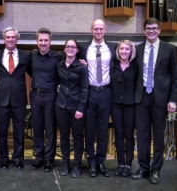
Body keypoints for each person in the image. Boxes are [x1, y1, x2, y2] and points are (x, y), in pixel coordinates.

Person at [132, 18, 177, 184]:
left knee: (158, 135)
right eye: (148, 28)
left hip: (161, 98)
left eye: (154, 28)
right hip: (142, 96)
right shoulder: (137, 49)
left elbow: (175, 77)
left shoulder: (170, 49)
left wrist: (173, 100)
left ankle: (156, 169)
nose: (151, 31)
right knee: (142, 135)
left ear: (159, 30)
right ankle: (143, 167)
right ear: (144, 31)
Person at [78, 19, 116, 177]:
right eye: (96, 29)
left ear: (105, 30)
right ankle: (91, 161)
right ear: (91, 30)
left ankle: (101, 161)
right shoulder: (83, 47)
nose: (98, 31)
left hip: (106, 92)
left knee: (102, 129)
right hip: (90, 92)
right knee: (90, 128)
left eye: (101, 29)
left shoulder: (113, 47)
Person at [0, 27, 30, 170]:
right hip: (1, 98)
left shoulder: (25, 55)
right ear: (4, 39)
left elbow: (34, 72)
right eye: (7, 37)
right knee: (2, 131)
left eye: (13, 37)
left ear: (17, 39)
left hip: (19, 98)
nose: (10, 39)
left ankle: (17, 159)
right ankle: (3, 159)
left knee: (18, 131)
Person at [30, 28, 64, 172]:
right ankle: (39, 157)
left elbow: (73, 57)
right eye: (40, 40)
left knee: (50, 129)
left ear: (50, 41)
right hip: (35, 94)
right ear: (37, 41)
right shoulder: (31, 56)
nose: (43, 43)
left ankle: (49, 159)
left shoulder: (58, 56)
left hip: (51, 95)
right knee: (37, 127)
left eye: (46, 40)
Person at [55, 39, 88, 178]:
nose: (70, 49)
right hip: (61, 105)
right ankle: (65, 164)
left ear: (77, 50)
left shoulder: (82, 67)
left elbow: (84, 89)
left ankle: (77, 166)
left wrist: (80, 108)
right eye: (68, 46)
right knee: (63, 136)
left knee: (77, 136)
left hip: (76, 107)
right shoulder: (59, 65)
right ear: (64, 49)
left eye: (73, 47)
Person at [111, 40, 137, 177]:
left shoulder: (135, 66)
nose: (124, 51)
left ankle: (128, 164)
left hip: (130, 106)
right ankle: (120, 163)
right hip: (115, 105)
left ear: (131, 51)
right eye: (122, 49)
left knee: (129, 136)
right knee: (119, 135)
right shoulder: (113, 65)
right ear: (118, 50)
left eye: (127, 49)